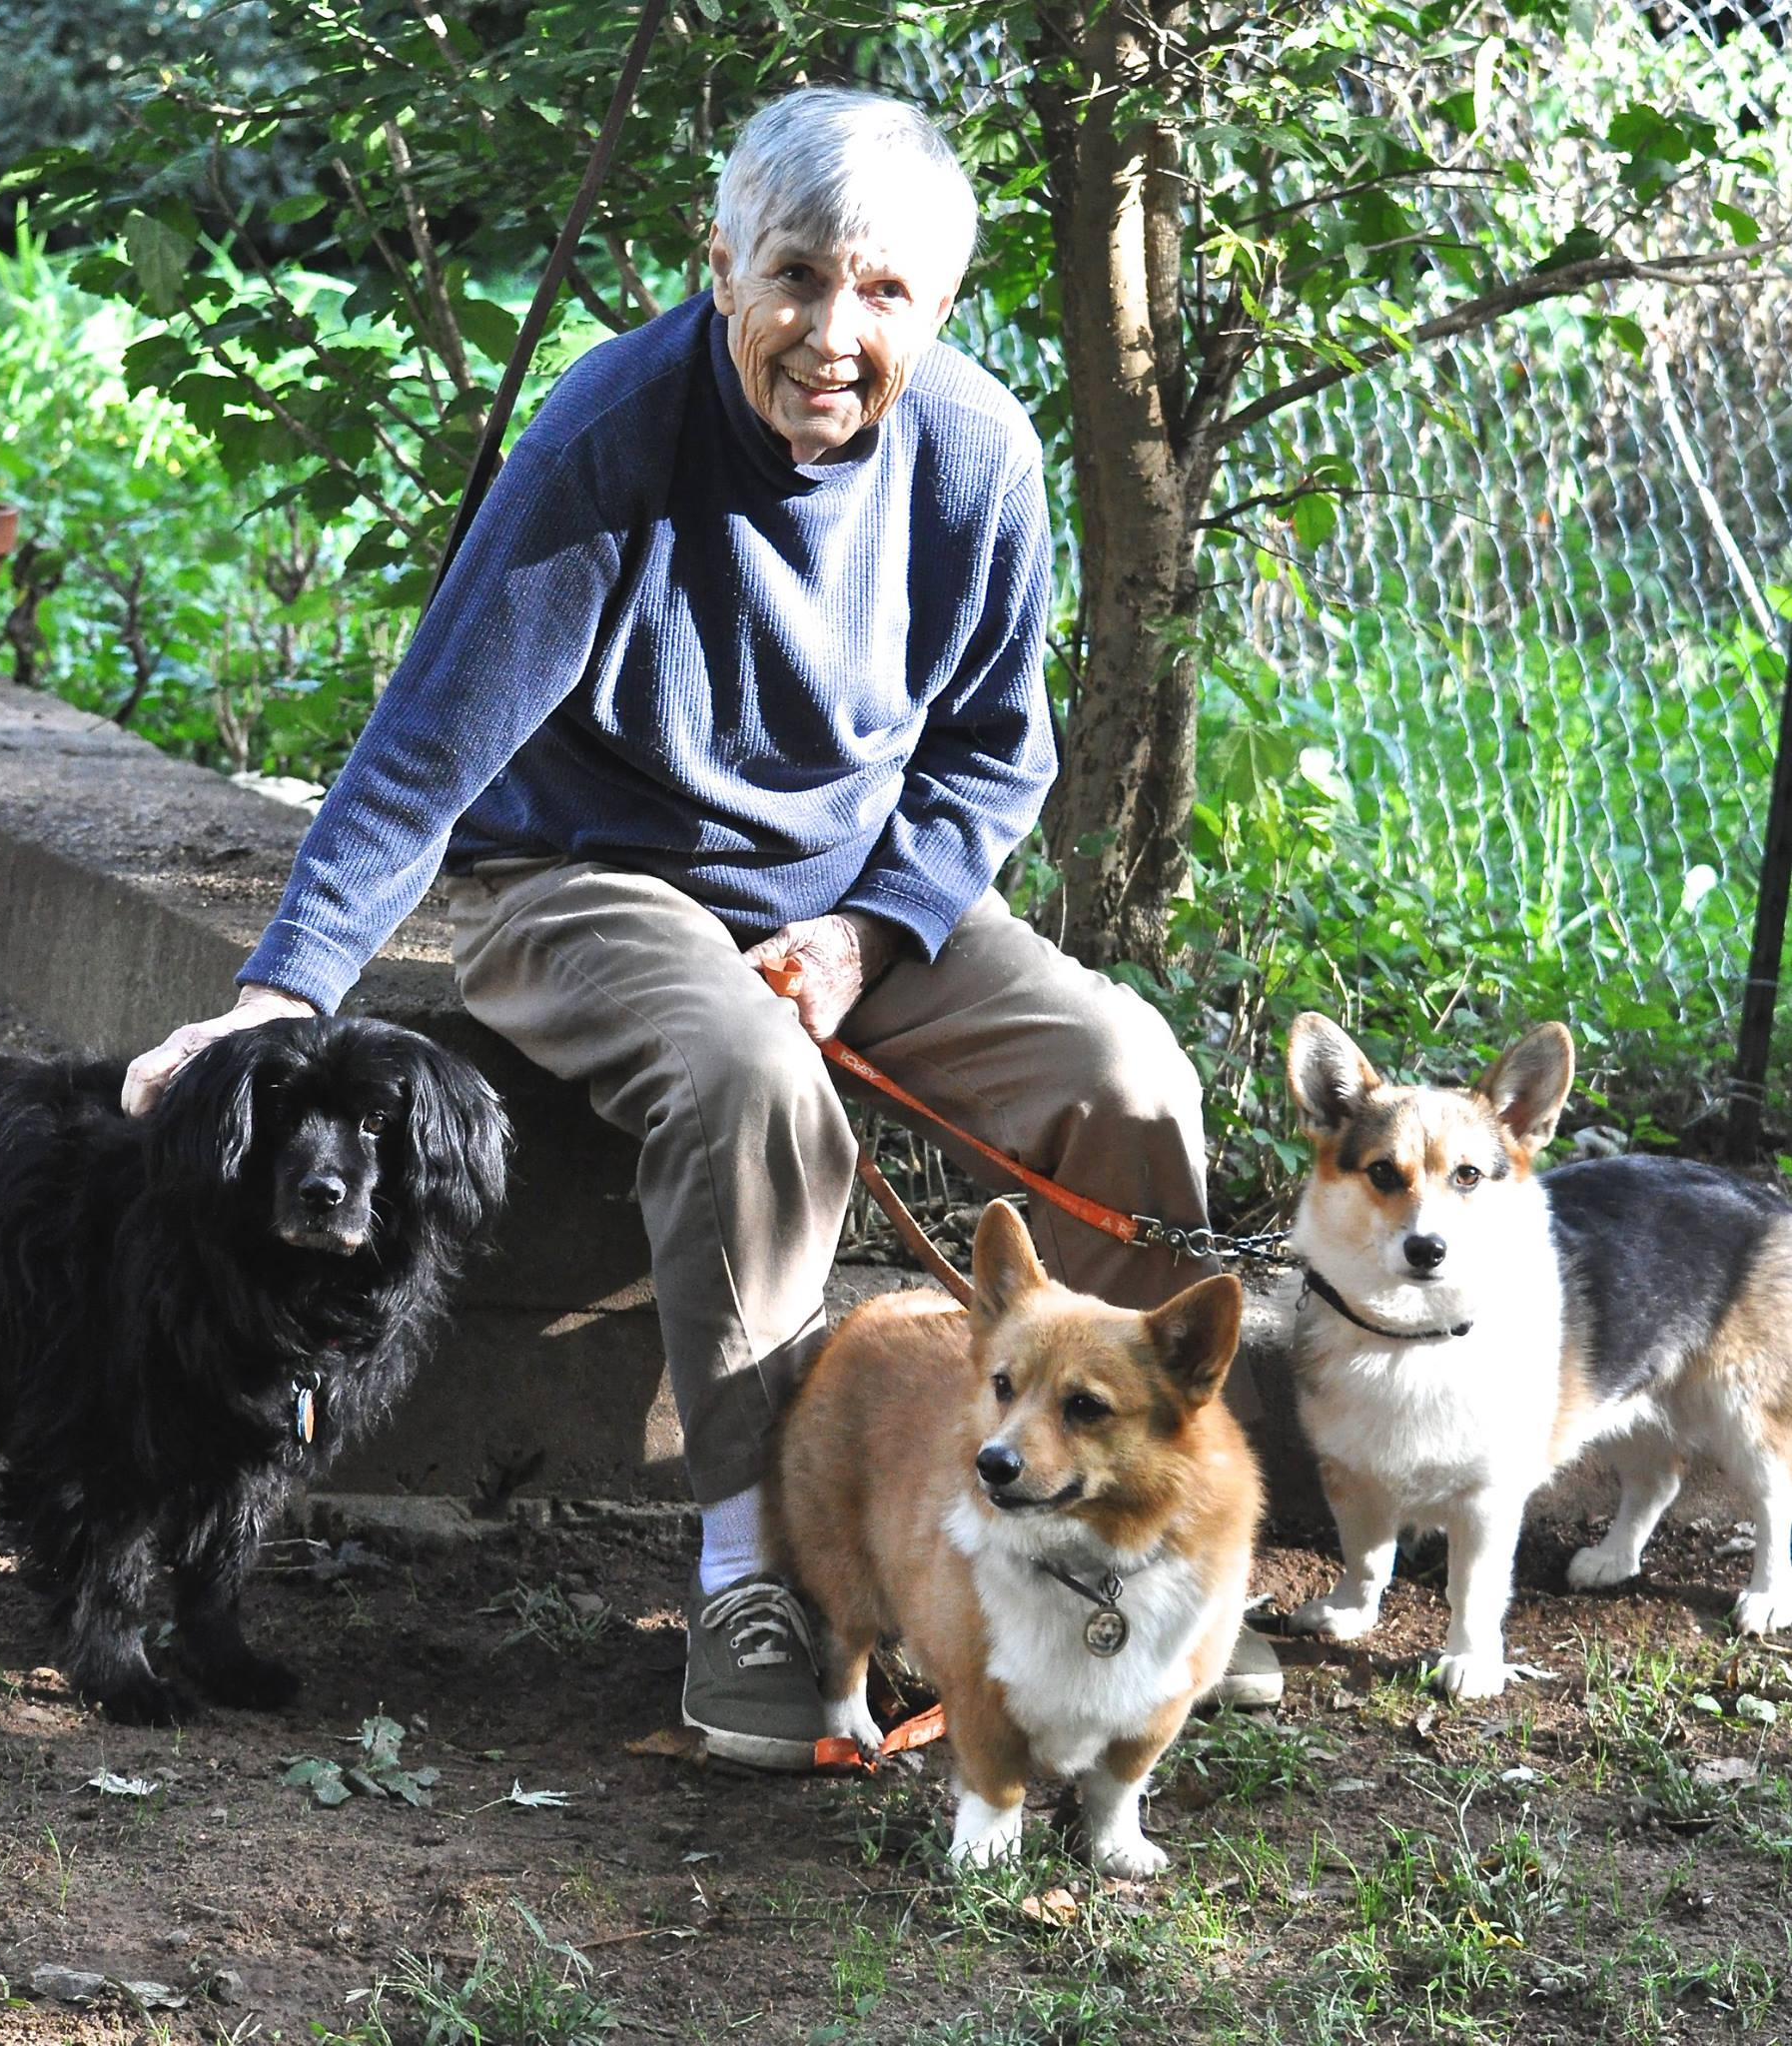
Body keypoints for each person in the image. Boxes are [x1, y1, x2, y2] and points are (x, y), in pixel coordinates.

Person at [124, 85, 1281, 1768]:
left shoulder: (979, 455)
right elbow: (422, 756)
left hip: (862, 893)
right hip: (589, 879)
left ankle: (1136, 1553)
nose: (832, 332)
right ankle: (758, 1576)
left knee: (1121, 1065)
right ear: (718, 266)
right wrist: (273, 996)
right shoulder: (610, 440)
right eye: (796, 277)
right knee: (751, 1078)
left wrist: (872, 934)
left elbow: (990, 750)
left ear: (938, 310)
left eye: (883, 294)